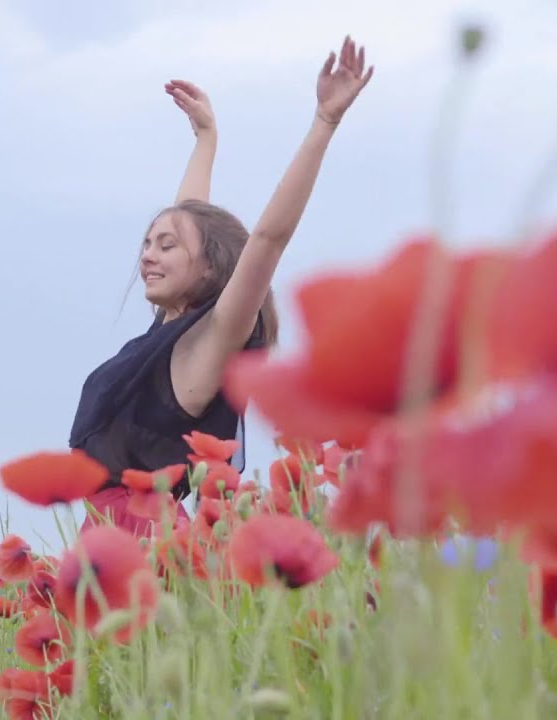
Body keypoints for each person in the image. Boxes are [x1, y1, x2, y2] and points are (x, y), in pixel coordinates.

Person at [69, 36, 375, 536]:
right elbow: (192, 223)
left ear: (209, 270)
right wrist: (206, 140)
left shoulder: (210, 344)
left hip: (140, 538)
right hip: (110, 530)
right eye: (147, 243)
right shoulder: (168, 332)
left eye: (165, 246)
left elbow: (268, 240)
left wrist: (324, 123)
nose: (148, 254)